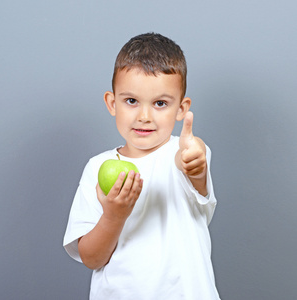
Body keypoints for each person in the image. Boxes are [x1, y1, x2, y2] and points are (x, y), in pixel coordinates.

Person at [63, 32, 221, 299]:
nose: (144, 116)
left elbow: (193, 162)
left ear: (181, 110)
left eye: (160, 103)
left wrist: (196, 163)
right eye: (131, 101)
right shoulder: (97, 167)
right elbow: (91, 258)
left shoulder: (183, 153)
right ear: (112, 103)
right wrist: (114, 215)